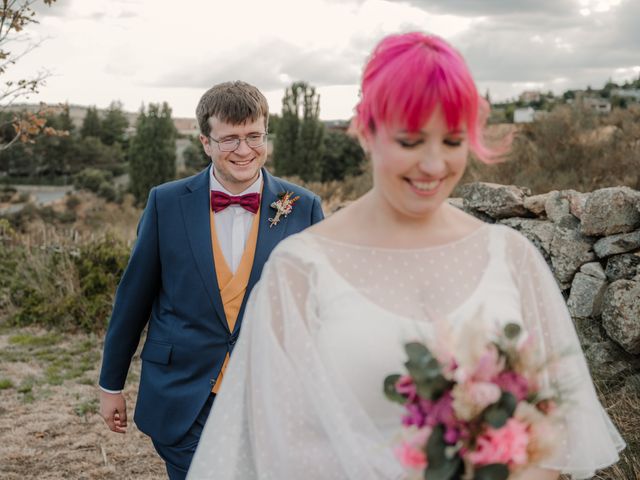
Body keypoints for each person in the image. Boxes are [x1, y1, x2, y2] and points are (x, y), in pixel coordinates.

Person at [187, 33, 625, 479]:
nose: (434, 165)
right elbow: (276, 445)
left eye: (453, 141)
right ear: (366, 131)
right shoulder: (300, 269)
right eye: (411, 142)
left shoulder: (511, 257)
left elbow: (551, 439)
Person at [98, 81, 324, 479]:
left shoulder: (303, 207)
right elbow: (132, 300)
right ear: (205, 141)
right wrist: (111, 385)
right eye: (230, 139)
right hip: (183, 396)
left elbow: (320, 309)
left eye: (254, 136)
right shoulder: (165, 203)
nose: (244, 150)